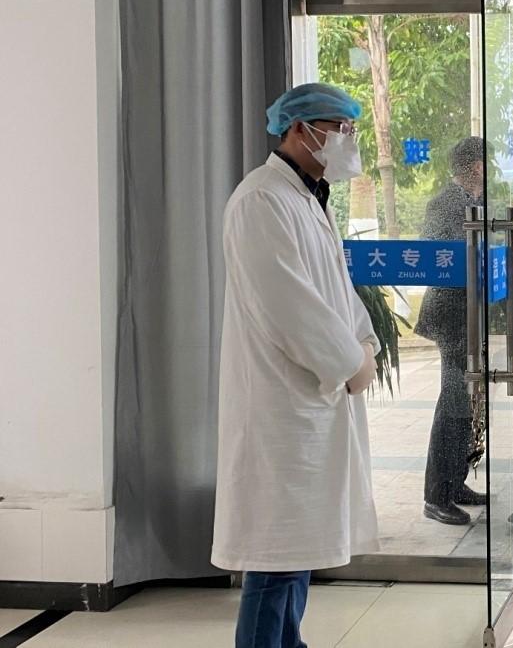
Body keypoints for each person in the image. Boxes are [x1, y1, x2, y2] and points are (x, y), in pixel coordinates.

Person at [213, 83, 381, 648]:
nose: (347, 140)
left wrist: (364, 344)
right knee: (276, 556)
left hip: (313, 400)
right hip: (281, 405)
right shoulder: (260, 201)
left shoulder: (307, 197)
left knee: (298, 551)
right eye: (338, 128)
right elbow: (288, 305)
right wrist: (349, 360)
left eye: (350, 130)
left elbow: (337, 291)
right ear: (298, 128)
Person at [415, 137, 490, 526]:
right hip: (452, 314)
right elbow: (437, 257)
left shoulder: (477, 202)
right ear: (474, 166)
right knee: (454, 402)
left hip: (471, 313)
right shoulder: (445, 202)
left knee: (468, 401)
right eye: (485, 163)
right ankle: (437, 495)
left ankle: (456, 481)